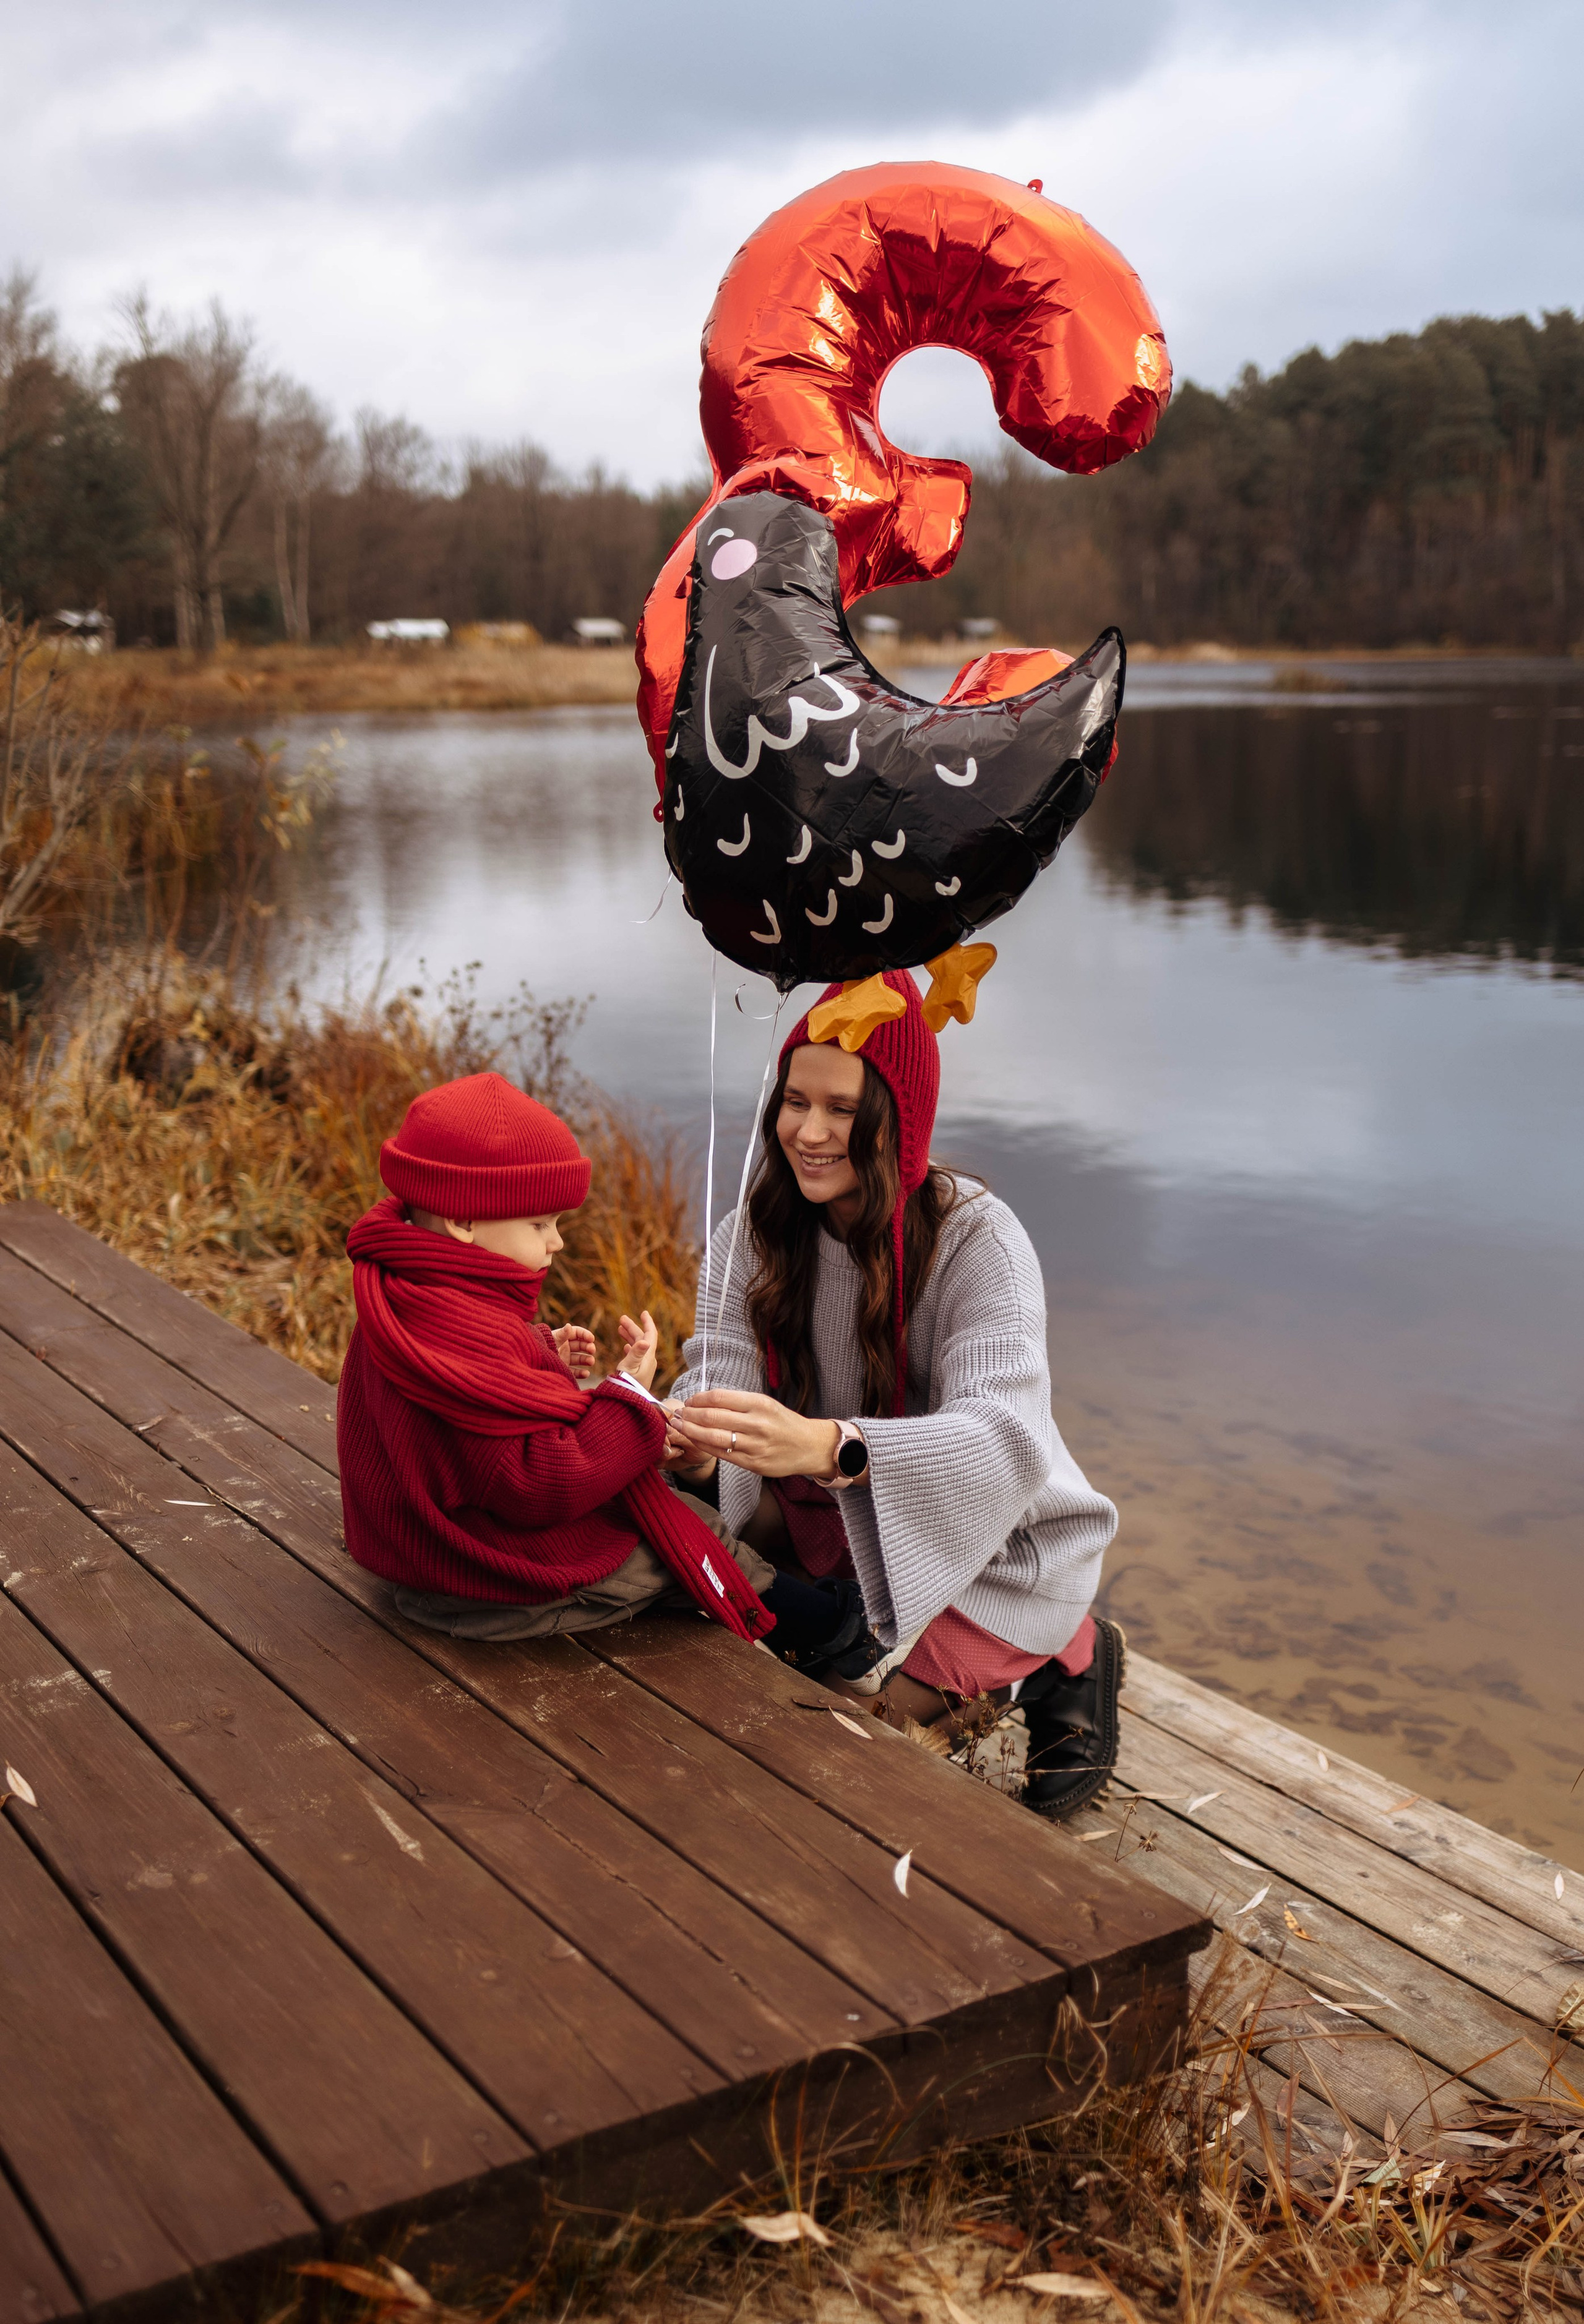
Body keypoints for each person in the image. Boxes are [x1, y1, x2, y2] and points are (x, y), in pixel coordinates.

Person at [665, 970, 1124, 1818]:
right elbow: (713, 1374)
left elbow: (1005, 1433)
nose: (808, 1132)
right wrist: (694, 1447)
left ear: (897, 1118)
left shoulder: (979, 1239)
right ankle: (871, 1631)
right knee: (741, 1683)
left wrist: (829, 1444)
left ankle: (1069, 1652)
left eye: (841, 1109)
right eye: (794, 1100)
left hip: (1002, 1549)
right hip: (833, 1527)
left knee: (845, 1747)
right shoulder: (749, 1236)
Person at [337, 1069, 881, 1673]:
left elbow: (471, 1394)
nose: (556, 1243)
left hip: (418, 1547)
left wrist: (536, 1352)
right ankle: (830, 1633)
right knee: (680, 1534)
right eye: (539, 1224)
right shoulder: (463, 1329)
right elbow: (545, 1481)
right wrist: (629, 1393)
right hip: (478, 1580)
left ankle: (804, 1614)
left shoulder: (405, 1293)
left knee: (665, 1513)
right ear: (463, 1220)